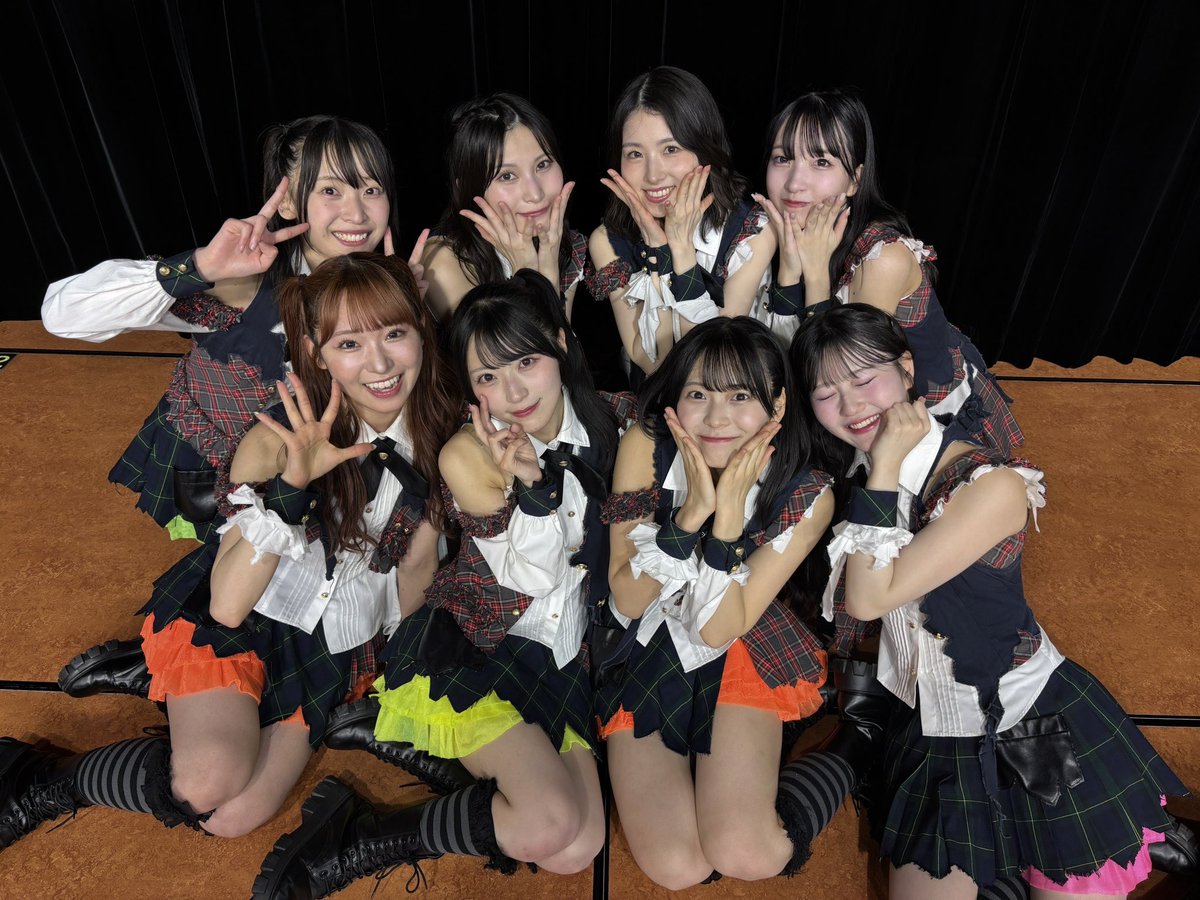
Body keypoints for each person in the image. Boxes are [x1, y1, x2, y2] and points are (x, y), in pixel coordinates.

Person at [1, 253, 460, 855]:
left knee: (233, 817)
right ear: (316, 353)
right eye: (349, 343)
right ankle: (43, 782)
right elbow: (229, 606)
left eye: (394, 334)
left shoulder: (446, 438)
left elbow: (418, 568)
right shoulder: (274, 438)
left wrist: (395, 668)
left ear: (421, 331)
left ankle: (183, 704)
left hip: (331, 646)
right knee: (204, 785)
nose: (379, 364)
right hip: (242, 618)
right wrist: (292, 491)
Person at [792, 303, 1189, 898]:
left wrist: (885, 467)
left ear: (906, 369)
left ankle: (1128, 836)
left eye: (864, 379)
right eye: (826, 393)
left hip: (1031, 722)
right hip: (933, 726)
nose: (850, 406)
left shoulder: (991, 485)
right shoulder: (862, 471)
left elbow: (869, 600)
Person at [252, 271, 626, 897]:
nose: (512, 392)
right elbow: (531, 576)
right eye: (487, 377)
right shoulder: (467, 452)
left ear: (561, 345)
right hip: (481, 643)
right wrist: (535, 490)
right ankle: (359, 838)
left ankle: (435, 771)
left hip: (562, 656)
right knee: (548, 824)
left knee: (579, 847)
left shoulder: (615, 423)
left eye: (527, 362)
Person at [42, 115, 425, 699]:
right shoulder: (249, 283)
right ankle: (158, 657)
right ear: (289, 200)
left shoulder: (397, 284)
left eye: (371, 188)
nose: (356, 212)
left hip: (326, 470)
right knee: (232, 581)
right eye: (331, 190)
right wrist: (198, 268)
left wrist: (413, 316)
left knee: (320, 577)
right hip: (220, 465)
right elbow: (62, 314)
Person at [591, 314, 856, 888]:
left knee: (747, 853)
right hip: (648, 644)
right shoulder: (646, 446)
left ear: (777, 405)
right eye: (698, 395)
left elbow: (718, 629)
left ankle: (853, 750)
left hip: (742, 637)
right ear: (674, 400)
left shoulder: (808, 491)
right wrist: (690, 517)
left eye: (741, 396)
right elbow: (628, 598)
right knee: (677, 867)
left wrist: (729, 519)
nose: (716, 418)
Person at [757, 90, 1022, 453]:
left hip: (910, 416)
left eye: (821, 162)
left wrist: (814, 273)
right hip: (839, 406)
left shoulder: (882, 259)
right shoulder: (775, 229)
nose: (794, 183)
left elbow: (836, 371)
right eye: (782, 158)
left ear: (855, 179)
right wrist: (789, 269)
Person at [586, 66, 777, 389]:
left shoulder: (752, 230)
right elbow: (649, 360)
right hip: (653, 399)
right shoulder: (607, 241)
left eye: (670, 149)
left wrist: (680, 249)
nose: (653, 175)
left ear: (704, 147)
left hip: (733, 399)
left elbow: (710, 365)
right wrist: (658, 251)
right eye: (635, 154)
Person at [420, 93, 584, 322]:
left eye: (543, 164)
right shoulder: (444, 261)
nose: (535, 194)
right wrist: (529, 272)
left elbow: (564, 345)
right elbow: (522, 344)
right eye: (507, 176)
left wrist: (548, 266)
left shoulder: (560, 242)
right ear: (468, 188)